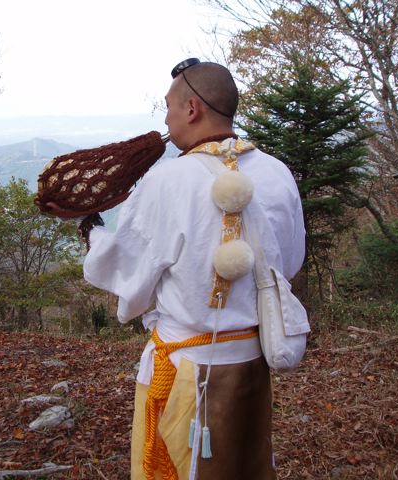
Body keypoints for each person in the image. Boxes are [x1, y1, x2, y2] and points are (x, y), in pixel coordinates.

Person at [81, 59, 306, 480]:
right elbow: (287, 266)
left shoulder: (169, 181)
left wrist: (90, 228)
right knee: (245, 467)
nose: (165, 118)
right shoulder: (278, 173)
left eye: (167, 107)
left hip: (186, 371)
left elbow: (126, 275)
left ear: (191, 108)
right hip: (252, 366)